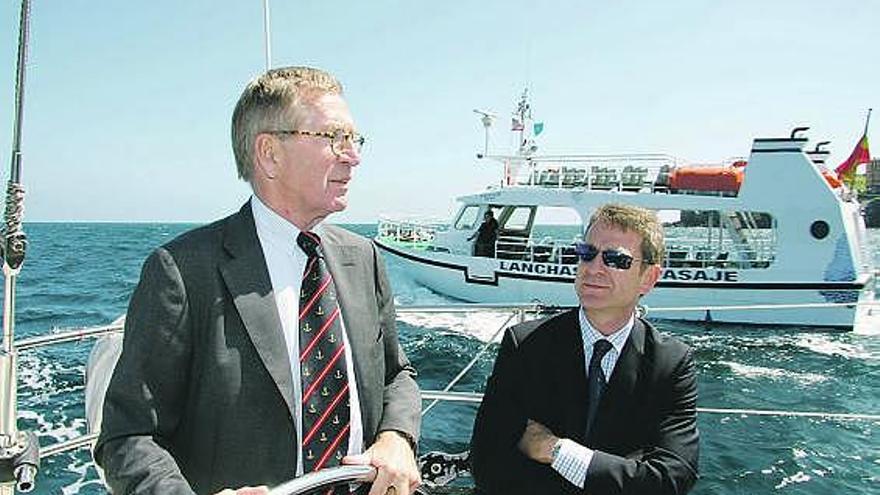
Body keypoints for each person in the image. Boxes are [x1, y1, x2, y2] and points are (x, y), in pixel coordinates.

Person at [94, 66, 422, 495]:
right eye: (334, 138)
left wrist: (397, 437)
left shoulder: (362, 257)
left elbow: (397, 374)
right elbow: (128, 437)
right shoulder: (182, 271)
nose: (352, 155)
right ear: (269, 154)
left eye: (355, 140)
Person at [470, 203, 699, 495]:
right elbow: (488, 462)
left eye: (616, 259)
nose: (593, 268)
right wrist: (622, 473)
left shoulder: (670, 363)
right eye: (587, 253)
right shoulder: (526, 345)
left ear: (649, 278)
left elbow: (671, 479)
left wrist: (556, 450)